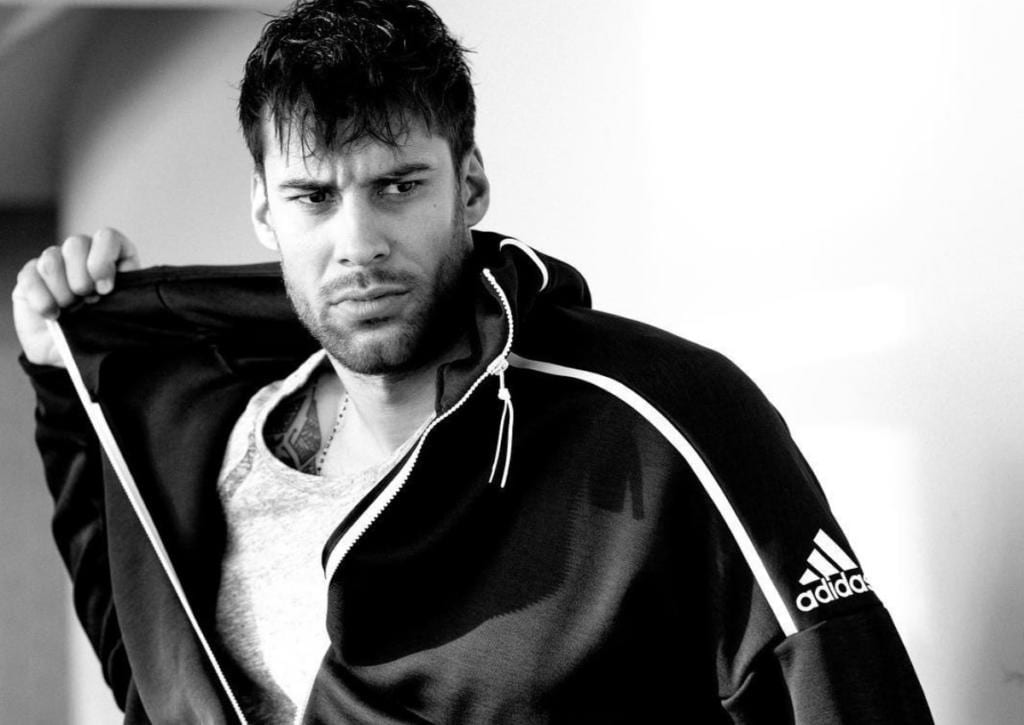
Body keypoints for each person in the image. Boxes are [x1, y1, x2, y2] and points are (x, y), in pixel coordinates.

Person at [12, 0, 934, 722]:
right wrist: (63, 380)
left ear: (472, 183)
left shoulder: (663, 417)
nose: (358, 243)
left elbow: (837, 685)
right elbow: (152, 675)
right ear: (264, 210)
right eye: (313, 197)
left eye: (397, 185)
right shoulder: (213, 447)